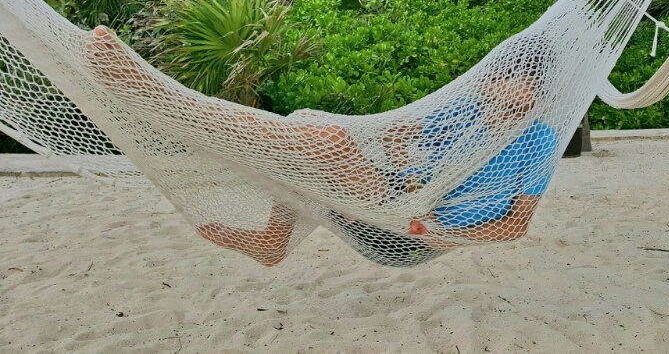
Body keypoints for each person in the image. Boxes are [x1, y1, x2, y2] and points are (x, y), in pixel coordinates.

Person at [85, 26, 559, 266]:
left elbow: (514, 226)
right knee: (310, 136)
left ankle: (159, 99)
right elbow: (396, 136)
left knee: (321, 141)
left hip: (408, 235)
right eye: (510, 77)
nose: (518, 91)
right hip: (398, 197)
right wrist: (409, 166)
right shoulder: (460, 113)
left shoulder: (538, 141)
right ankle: (272, 242)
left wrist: (440, 233)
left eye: (530, 84)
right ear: (489, 82)